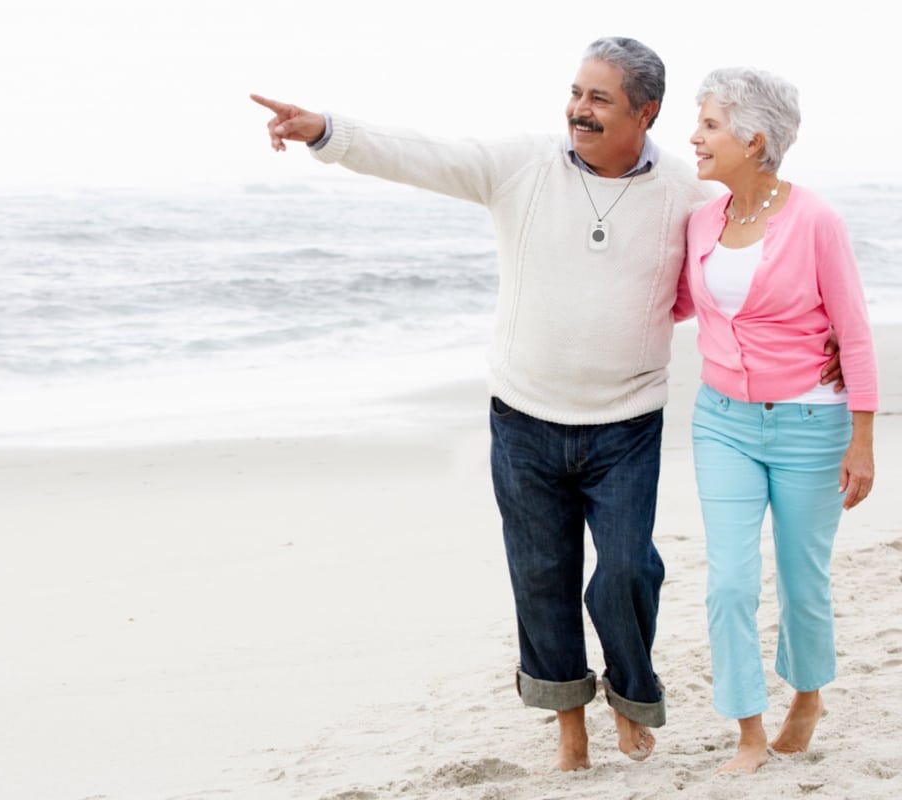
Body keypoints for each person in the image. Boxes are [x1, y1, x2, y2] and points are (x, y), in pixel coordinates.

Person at [251, 39, 837, 771]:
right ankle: (571, 734)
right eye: (575, 93)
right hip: (524, 417)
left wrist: (827, 339)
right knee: (540, 575)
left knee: (626, 571)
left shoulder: (686, 194)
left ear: (644, 112)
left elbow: (757, 250)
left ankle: (630, 696)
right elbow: (426, 155)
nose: (578, 110)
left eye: (599, 99)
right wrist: (328, 132)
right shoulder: (521, 165)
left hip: (626, 423)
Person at [684, 67, 877, 774]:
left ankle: (807, 697)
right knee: (729, 581)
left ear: (752, 137)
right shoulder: (703, 220)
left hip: (811, 426)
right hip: (722, 422)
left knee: (803, 578)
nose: (695, 137)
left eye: (708, 124)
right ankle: (748, 731)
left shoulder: (816, 219)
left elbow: (853, 331)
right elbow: (680, 303)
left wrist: (863, 438)